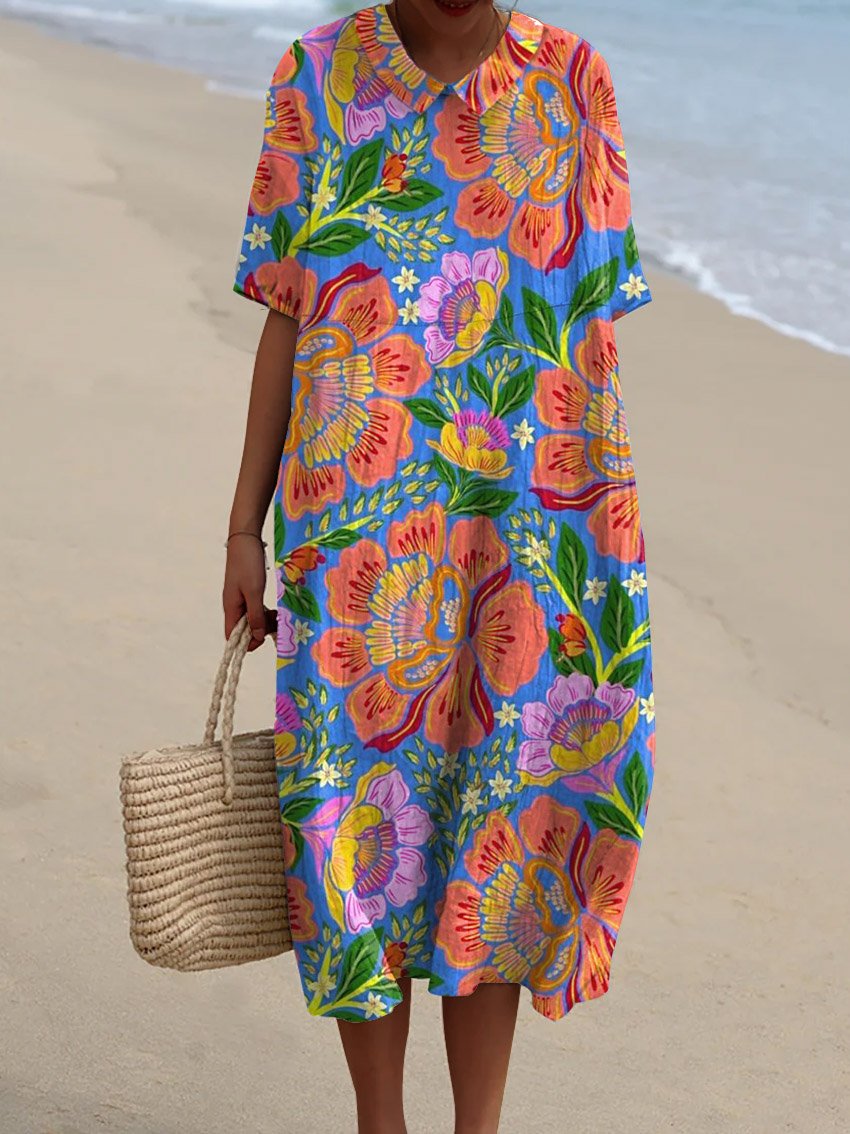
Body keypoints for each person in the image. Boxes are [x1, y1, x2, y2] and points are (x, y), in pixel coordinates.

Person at [223, 1, 656, 1131]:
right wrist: (242, 527)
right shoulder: (318, 76)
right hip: (354, 535)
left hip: (532, 527)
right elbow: (287, 315)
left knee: (499, 824)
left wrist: (600, 555)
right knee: (353, 823)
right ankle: (381, 1123)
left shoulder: (575, 84)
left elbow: (591, 334)